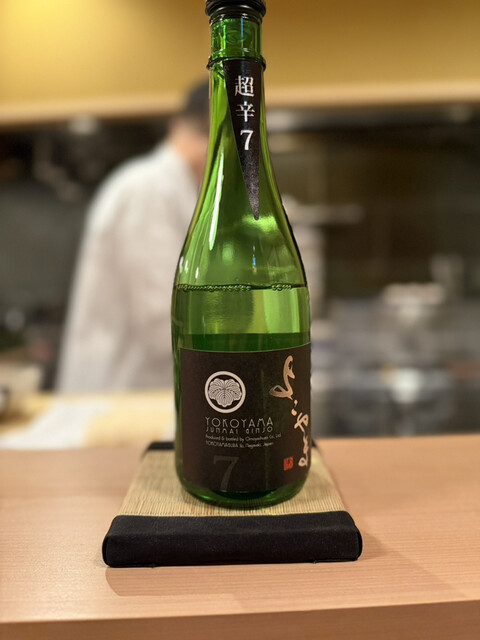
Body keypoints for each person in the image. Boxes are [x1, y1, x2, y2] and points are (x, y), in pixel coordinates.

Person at [57, 82, 210, 391]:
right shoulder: (150, 189)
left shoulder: (171, 188)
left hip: (139, 389)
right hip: (121, 391)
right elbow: (163, 318)